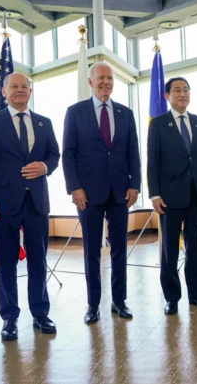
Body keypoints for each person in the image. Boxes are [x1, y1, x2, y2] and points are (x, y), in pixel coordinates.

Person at [0, 72, 60, 340]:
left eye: (25, 87)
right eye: (14, 87)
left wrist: (45, 167)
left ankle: (40, 313)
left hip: (37, 202)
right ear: (4, 91)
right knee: (6, 264)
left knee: (38, 260)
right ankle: (9, 317)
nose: (20, 90)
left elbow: (55, 155)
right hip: (2, 204)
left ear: (30, 92)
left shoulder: (44, 123)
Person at [62, 62, 141, 324]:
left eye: (109, 78)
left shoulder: (126, 113)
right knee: (91, 250)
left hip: (120, 192)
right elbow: (68, 153)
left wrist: (135, 185)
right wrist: (74, 188)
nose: (105, 82)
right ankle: (93, 304)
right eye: (101, 78)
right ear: (90, 82)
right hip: (88, 193)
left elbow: (133, 153)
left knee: (120, 248)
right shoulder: (75, 112)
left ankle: (119, 301)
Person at [147, 77, 197, 315]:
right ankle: (172, 297)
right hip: (169, 196)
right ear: (167, 96)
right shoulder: (158, 124)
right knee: (170, 250)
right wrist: (154, 194)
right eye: (177, 90)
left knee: (195, 246)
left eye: (186, 90)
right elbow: (152, 162)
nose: (182, 94)